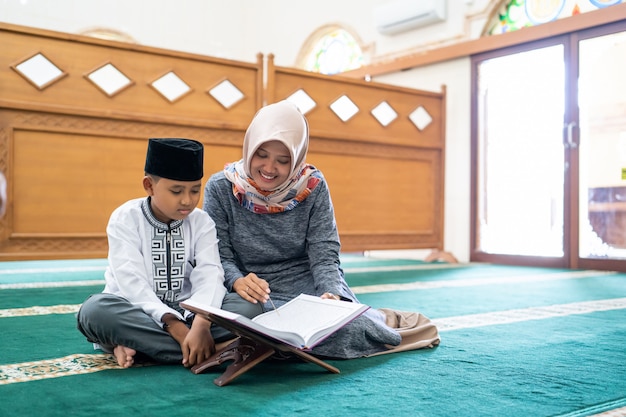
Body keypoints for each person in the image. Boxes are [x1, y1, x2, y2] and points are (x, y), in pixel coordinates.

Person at [203, 101, 440, 359]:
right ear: (249, 147)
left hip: (307, 283)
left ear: (297, 157)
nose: (269, 169)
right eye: (262, 155)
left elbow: (324, 253)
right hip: (253, 289)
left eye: (283, 161)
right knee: (230, 321)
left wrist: (331, 294)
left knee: (346, 327)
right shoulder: (220, 188)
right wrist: (236, 280)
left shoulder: (312, 186)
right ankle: (273, 346)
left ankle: (263, 349)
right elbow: (219, 255)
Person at [77, 138, 262, 369]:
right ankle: (214, 350)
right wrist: (176, 327)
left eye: (195, 190)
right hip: (140, 312)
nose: (187, 200)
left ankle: (139, 347)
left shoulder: (201, 221)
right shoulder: (125, 218)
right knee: (94, 312)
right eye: (176, 191)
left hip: (192, 312)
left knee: (250, 307)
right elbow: (131, 282)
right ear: (149, 185)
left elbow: (210, 273)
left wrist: (202, 323)